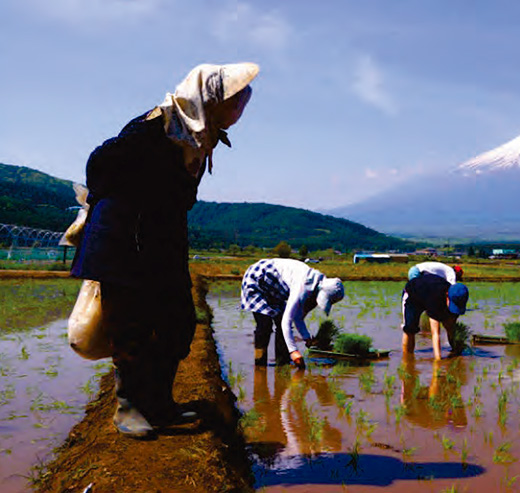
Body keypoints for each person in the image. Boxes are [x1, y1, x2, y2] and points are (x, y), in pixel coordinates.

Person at [71, 62, 260, 438]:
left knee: (176, 322)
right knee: (130, 323)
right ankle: (129, 408)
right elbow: (100, 164)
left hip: (160, 238)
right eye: (236, 101)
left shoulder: (199, 134)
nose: (240, 110)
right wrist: (131, 204)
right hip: (123, 238)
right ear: (212, 98)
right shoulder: (157, 126)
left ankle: (159, 404)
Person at [241, 258, 344, 368]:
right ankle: (260, 365)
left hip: (275, 289)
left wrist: (307, 338)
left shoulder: (313, 288)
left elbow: (298, 318)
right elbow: (287, 321)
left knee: (280, 325)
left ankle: (282, 363)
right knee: (264, 325)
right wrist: (293, 351)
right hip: (258, 279)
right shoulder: (303, 285)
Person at [401, 273, 469, 360]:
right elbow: (435, 334)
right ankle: (407, 359)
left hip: (430, 293)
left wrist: (457, 352)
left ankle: (455, 349)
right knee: (410, 330)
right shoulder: (435, 299)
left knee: (450, 326)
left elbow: (451, 327)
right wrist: (438, 360)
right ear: (447, 295)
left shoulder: (458, 295)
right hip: (413, 295)